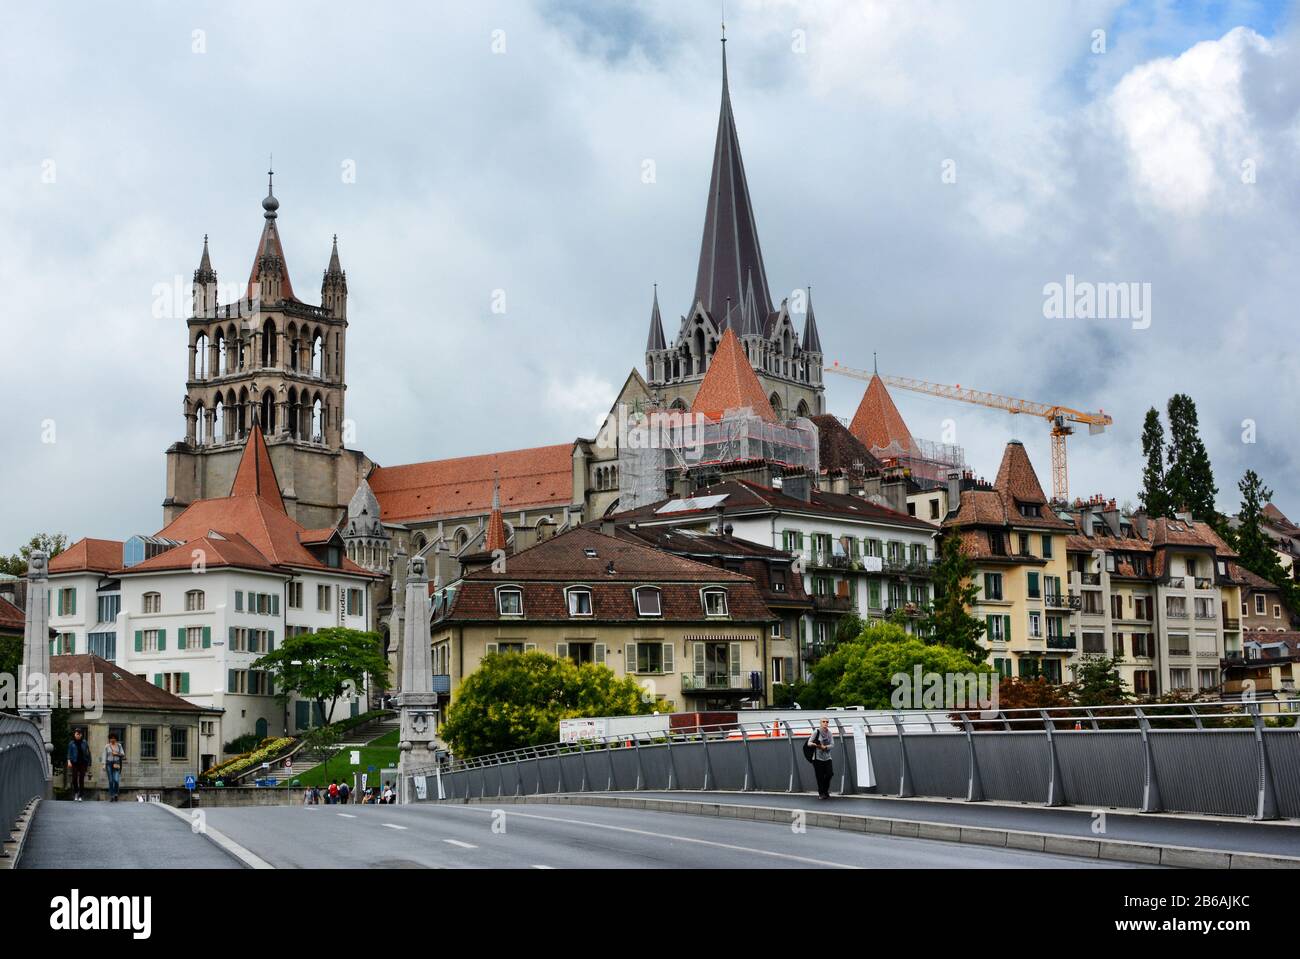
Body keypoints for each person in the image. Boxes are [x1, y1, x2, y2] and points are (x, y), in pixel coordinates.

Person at [807, 719, 834, 800]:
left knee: (830, 774)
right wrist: (816, 745)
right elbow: (809, 743)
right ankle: (821, 793)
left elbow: (832, 744)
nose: (825, 723)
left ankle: (825, 790)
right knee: (820, 776)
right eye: (823, 721)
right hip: (817, 758)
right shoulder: (816, 732)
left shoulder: (829, 733)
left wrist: (825, 747)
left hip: (827, 757)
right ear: (820, 723)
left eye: (827, 722)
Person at [67, 727, 91, 801]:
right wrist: (68, 761)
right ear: (74, 734)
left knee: (81, 779)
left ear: (81, 735)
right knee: (74, 778)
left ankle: (80, 795)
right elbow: (69, 753)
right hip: (74, 762)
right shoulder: (71, 743)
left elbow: (88, 753)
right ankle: (76, 792)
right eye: (77, 734)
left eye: (79, 734)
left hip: (83, 763)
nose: (78, 735)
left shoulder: (84, 742)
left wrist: (89, 762)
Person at [102, 732, 125, 802]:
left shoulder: (119, 746)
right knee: (111, 781)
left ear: (116, 739)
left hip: (116, 764)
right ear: (109, 739)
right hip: (109, 764)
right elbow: (104, 755)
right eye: (111, 738)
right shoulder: (107, 746)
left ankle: (116, 794)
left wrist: (117, 754)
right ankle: (112, 795)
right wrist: (103, 764)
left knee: (116, 780)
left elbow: (123, 754)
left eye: (114, 738)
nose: (112, 739)